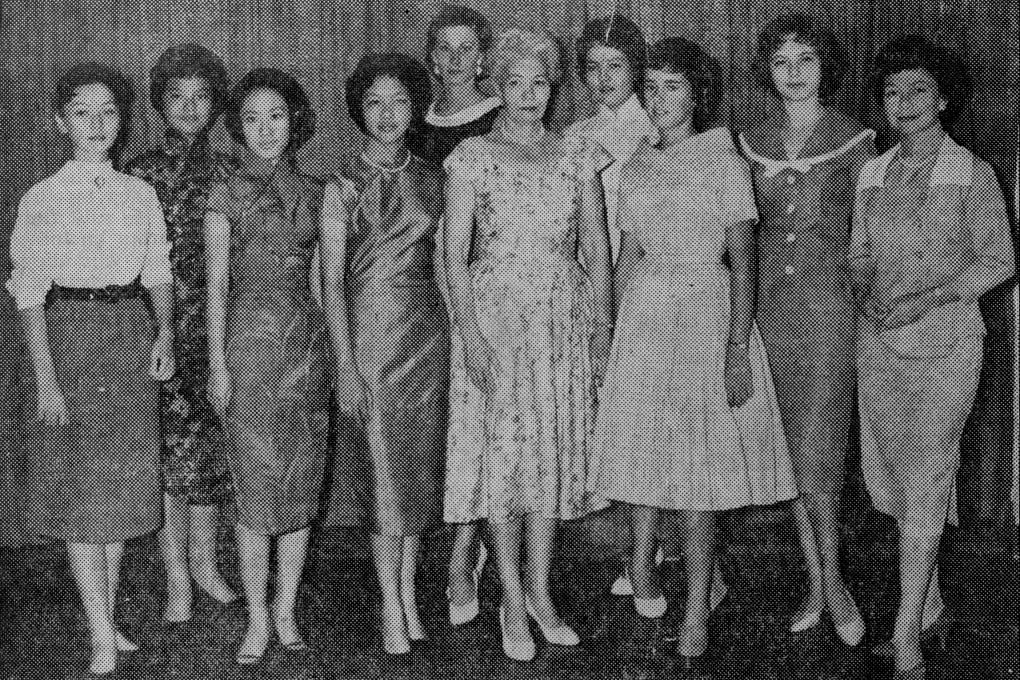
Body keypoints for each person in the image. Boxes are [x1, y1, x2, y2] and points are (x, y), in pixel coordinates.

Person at [596, 37, 798, 666]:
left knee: (701, 472)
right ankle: (651, 576)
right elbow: (627, 255)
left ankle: (695, 612)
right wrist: (610, 336)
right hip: (648, 319)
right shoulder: (635, 163)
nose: (659, 99)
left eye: (673, 87)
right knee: (648, 459)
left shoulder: (721, 157)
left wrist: (737, 350)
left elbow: (744, 265)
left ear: (697, 94)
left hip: (707, 317)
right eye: (651, 87)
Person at [443, 28, 613, 661]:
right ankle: (511, 599)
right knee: (504, 465)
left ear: (552, 87)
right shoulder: (471, 157)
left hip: (562, 322)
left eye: (539, 82)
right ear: (497, 88)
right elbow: (452, 260)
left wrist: (602, 324)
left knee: (550, 460)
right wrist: (472, 338)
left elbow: (596, 246)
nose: (528, 95)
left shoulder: (576, 152)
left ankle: (541, 594)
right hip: (495, 323)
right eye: (514, 83)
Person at [851, 35, 1014, 679]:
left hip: (946, 345)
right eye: (892, 91)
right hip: (881, 347)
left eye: (918, 90)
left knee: (927, 475)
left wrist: (927, 299)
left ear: (943, 99)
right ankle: (929, 595)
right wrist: (866, 293)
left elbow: (999, 260)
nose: (903, 102)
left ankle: (905, 632)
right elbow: (858, 252)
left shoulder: (972, 172)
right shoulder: (872, 171)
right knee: (895, 482)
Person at [6, 62, 175, 676]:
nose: (98, 124)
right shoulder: (42, 199)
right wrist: (47, 380)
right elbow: (28, 297)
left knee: (122, 490)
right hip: (71, 340)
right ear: (60, 122)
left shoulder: (140, 194)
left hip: (129, 335)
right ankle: (99, 629)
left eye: (108, 112)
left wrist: (165, 336)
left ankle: (111, 617)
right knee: (83, 492)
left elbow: (158, 271)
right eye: (83, 113)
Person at [739, 12, 875, 645]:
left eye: (806, 61)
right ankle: (819, 585)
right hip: (769, 313)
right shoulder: (748, 140)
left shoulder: (858, 138)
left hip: (830, 316)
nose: (792, 74)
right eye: (780, 62)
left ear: (827, 69)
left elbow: (870, 238)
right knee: (791, 455)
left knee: (823, 453)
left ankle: (836, 585)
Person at [322, 53, 450, 656]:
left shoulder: (436, 177)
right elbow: (329, 285)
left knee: (419, 477)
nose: (387, 113)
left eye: (398, 100)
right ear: (359, 111)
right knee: (384, 485)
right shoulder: (341, 184)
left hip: (426, 341)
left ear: (415, 106)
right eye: (374, 102)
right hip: (370, 344)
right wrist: (345, 367)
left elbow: (449, 267)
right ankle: (391, 607)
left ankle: (409, 591)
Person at [204, 68, 334, 665]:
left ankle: (286, 610)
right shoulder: (224, 191)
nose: (264, 130)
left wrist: (332, 354)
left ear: (294, 122)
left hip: (304, 349)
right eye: (251, 119)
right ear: (237, 127)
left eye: (275, 116)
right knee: (255, 488)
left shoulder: (319, 190)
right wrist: (217, 364)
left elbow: (324, 282)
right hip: (247, 347)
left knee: (301, 482)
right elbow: (216, 285)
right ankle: (256, 616)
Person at [125, 43, 237, 622]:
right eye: (177, 98)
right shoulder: (139, 171)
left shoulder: (231, 168)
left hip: (220, 325)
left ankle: (207, 564)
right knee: (170, 457)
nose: (190, 109)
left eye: (202, 98)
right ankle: (175, 581)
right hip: (159, 326)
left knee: (213, 453)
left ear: (216, 104)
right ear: (159, 105)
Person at [405, 3, 499, 628]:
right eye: (447, 48)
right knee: (435, 431)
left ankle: (467, 552)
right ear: (434, 58)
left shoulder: (503, 116)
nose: (458, 59)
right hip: (416, 297)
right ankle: (430, 554)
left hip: (484, 291)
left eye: (469, 48)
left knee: (483, 427)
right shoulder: (411, 125)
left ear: (484, 57)